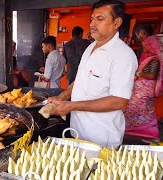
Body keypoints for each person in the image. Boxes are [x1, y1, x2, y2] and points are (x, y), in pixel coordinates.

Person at [46, 0, 138, 148]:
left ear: (117, 22)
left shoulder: (123, 55)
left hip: (101, 137)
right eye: (92, 19)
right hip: (78, 131)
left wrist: (71, 106)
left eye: (100, 19)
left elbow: (119, 101)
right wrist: (61, 97)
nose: (92, 24)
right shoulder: (90, 48)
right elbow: (80, 80)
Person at [124, 35, 163, 138]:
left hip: (146, 89)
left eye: (145, 45)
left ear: (151, 46)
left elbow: (152, 75)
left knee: (135, 106)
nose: (144, 47)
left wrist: (138, 74)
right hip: (141, 87)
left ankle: (141, 129)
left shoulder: (155, 59)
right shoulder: (148, 58)